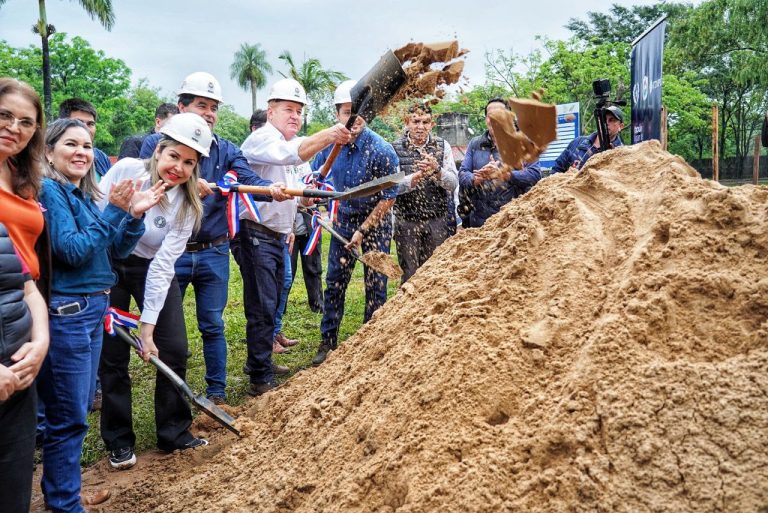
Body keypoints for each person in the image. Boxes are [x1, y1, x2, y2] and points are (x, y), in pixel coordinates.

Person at [37, 118, 159, 512]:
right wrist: (114, 213)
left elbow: (114, 251)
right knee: (69, 415)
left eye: (87, 146)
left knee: (76, 411)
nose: (82, 153)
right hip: (69, 313)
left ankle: (65, 493)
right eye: (71, 144)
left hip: (92, 310)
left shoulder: (83, 195)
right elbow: (72, 251)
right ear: (48, 151)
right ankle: (64, 502)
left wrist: (133, 216)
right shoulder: (50, 190)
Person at [140, 72, 276, 405]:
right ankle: (173, 399)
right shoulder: (157, 145)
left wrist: (273, 190)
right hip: (169, 253)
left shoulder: (226, 149)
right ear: (181, 106)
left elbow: (249, 179)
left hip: (213, 250)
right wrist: (187, 183)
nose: (209, 114)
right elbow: (148, 185)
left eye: (214, 107)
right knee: (169, 332)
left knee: (213, 324)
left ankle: (217, 393)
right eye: (202, 105)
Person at [98, 112, 210, 469]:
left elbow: (163, 267)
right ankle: (118, 439)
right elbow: (96, 214)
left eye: (189, 162)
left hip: (151, 267)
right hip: (109, 265)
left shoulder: (187, 205)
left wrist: (147, 328)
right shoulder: (126, 170)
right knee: (112, 355)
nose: (179, 167)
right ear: (159, 151)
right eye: (174, 155)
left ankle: (173, 431)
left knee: (173, 347)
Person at [236, 78, 351, 395]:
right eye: (288, 109)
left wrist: (307, 199)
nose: (295, 116)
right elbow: (291, 155)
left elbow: (298, 192)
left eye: (299, 111)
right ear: (271, 111)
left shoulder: (293, 143)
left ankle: (260, 361)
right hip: (255, 234)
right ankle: (259, 376)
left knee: (272, 303)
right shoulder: (262, 139)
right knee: (262, 305)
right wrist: (330, 134)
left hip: (277, 236)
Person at [311, 80, 400, 366]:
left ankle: (371, 342)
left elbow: (389, 198)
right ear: (337, 114)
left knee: (376, 284)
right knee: (335, 282)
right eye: (348, 112)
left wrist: (363, 231)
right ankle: (328, 341)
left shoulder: (382, 149)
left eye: (359, 111)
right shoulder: (329, 147)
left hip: (375, 224)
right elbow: (315, 179)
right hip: (343, 220)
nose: (354, 118)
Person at [0, 77, 49, 513]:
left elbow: (27, 275)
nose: (14, 128)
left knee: (15, 476)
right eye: (4, 115)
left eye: (26, 122)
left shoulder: (21, 176)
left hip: (19, 328)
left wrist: (41, 341)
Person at [392, 102, 458, 283]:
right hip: (407, 221)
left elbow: (453, 183)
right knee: (410, 275)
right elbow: (391, 187)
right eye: (416, 121)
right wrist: (413, 179)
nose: (420, 127)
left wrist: (437, 171)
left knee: (436, 275)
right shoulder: (394, 148)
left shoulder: (442, 146)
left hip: (437, 220)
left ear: (432, 124)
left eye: (425, 122)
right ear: (407, 122)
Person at [458, 98, 542, 228]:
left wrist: (505, 174)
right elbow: (463, 173)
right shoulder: (475, 144)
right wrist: (476, 178)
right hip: (480, 222)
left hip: (513, 220)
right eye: (490, 115)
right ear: (486, 119)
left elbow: (535, 175)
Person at [551, 105, 625, 173]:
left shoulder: (622, 154)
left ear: (621, 126)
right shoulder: (577, 142)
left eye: (612, 120)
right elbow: (557, 169)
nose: (606, 123)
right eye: (603, 119)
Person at [58, 98, 111, 177]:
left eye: (90, 124)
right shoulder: (50, 162)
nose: (86, 129)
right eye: (78, 122)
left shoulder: (101, 157)